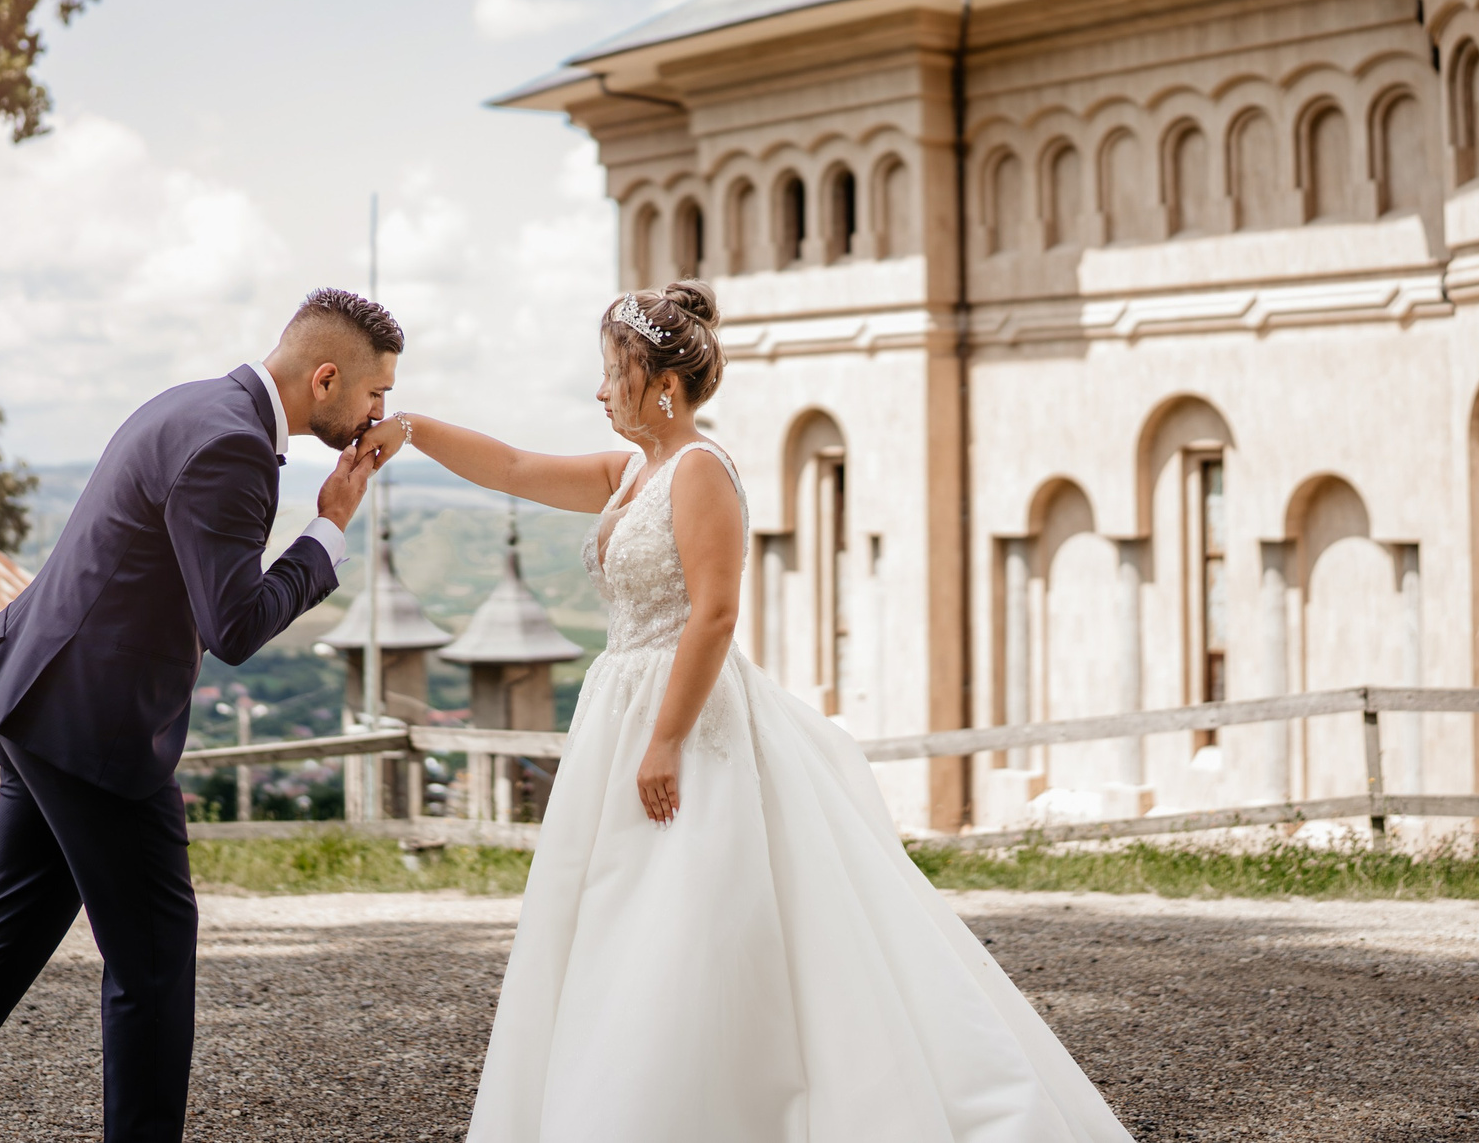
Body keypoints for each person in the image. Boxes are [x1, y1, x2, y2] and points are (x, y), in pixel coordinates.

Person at [357, 281, 1132, 1143]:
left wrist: (666, 739)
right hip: (618, 712)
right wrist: (411, 429)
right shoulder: (634, 471)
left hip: (683, 719)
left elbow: (716, 612)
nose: (601, 390)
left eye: (614, 372)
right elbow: (513, 468)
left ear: (663, 383)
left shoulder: (700, 469)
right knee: (613, 915)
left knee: (688, 917)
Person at [0, 289, 403, 1143]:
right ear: (326, 378)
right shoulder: (234, 445)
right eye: (375, 393)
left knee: (3, 938)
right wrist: (329, 526)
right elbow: (235, 627)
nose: (379, 411)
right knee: (152, 960)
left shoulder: (194, 402)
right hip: (95, 732)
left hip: (36, 696)